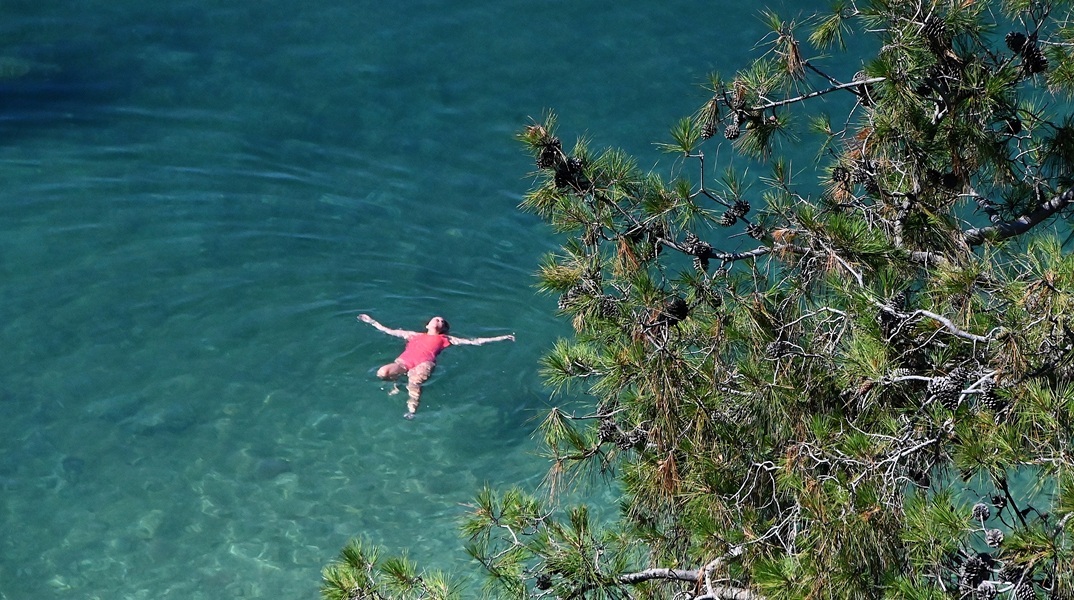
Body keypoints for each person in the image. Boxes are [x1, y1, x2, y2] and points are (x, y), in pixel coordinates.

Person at [357, 314, 515, 419]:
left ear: (443, 329)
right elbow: (388, 330)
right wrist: (371, 321)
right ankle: (396, 384)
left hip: (424, 363)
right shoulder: (413, 335)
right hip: (404, 361)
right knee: (382, 372)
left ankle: (411, 411)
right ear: (427, 325)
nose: (439, 321)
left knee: (414, 384)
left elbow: (475, 342)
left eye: (442, 321)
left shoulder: (447, 339)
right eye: (436, 319)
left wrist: (501, 338)